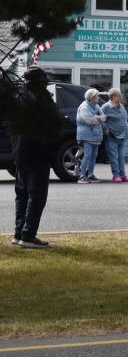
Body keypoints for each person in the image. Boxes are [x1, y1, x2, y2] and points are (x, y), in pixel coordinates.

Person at [9, 66, 63, 248]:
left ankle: (18, 233)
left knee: (22, 194)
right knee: (37, 195)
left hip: (19, 151)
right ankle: (28, 235)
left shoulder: (18, 97)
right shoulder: (42, 98)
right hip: (38, 151)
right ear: (40, 80)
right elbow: (55, 121)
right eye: (44, 79)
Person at [100, 88, 128, 182]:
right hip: (112, 136)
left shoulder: (121, 106)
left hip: (123, 135)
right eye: (118, 96)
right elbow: (101, 120)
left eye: (120, 96)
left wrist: (127, 128)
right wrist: (106, 130)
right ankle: (116, 175)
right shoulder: (106, 107)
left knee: (121, 157)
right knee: (113, 157)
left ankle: (123, 175)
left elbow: (125, 118)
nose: (120, 98)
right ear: (112, 97)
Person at [76, 88, 106, 183]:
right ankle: (81, 175)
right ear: (91, 97)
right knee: (87, 155)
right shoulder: (84, 107)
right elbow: (89, 121)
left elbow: (104, 117)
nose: (98, 98)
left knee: (94, 155)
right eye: (96, 96)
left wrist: (97, 118)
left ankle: (90, 174)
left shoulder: (96, 106)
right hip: (86, 134)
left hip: (96, 134)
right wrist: (98, 118)